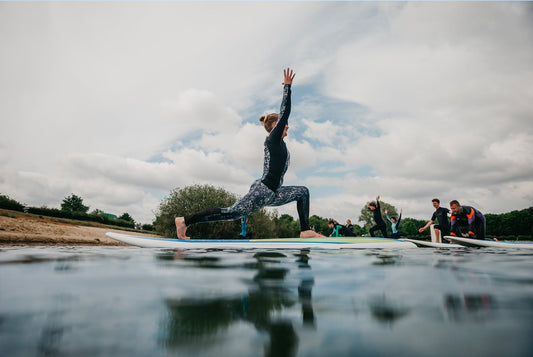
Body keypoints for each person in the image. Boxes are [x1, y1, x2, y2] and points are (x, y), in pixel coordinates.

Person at [174, 68, 323, 239]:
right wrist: (287, 87)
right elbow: (285, 112)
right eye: (284, 124)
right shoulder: (273, 139)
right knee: (232, 213)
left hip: (274, 193)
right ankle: (184, 221)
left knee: (302, 192)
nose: (287, 126)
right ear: (276, 124)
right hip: (264, 191)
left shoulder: (281, 144)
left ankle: (305, 230)